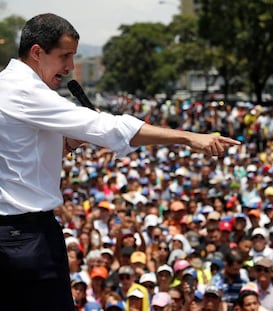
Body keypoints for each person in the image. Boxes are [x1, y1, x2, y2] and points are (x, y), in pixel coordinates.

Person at [0, 13, 240, 311]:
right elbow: (112, 128)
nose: (70, 67)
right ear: (37, 52)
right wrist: (189, 138)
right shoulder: (27, 92)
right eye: (65, 56)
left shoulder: (5, 85)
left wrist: (67, 143)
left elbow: (21, 154)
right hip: (26, 240)